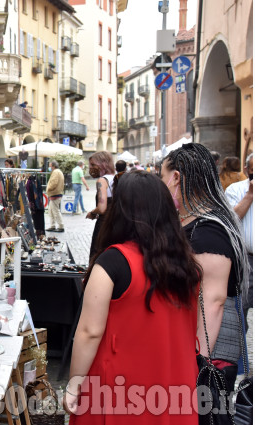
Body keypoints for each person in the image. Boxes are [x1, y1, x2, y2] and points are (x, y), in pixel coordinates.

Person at [64, 171, 201, 424]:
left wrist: (74, 384)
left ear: (120, 211)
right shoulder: (187, 264)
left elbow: (89, 331)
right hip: (175, 383)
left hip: (122, 386)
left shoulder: (112, 262)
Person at [160, 143, 251, 390]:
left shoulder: (208, 231)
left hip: (210, 353)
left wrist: (196, 361)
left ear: (176, 178)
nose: (161, 186)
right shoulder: (202, 222)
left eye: (162, 178)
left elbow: (213, 300)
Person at [225, 153, 253, 327]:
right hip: (245, 259)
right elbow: (231, 220)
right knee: (240, 311)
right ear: (247, 169)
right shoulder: (235, 190)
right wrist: (250, 196)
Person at [87, 151, 115, 259]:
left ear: (103, 164)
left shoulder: (102, 181)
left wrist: (92, 213)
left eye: (93, 165)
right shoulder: (116, 178)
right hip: (115, 224)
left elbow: (102, 208)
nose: (91, 168)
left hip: (103, 224)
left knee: (97, 253)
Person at [46, 160, 65, 232]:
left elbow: (54, 183)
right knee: (51, 210)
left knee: (55, 211)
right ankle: (52, 225)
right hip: (56, 193)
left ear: (53, 166)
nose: (49, 167)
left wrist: (48, 189)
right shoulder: (58, 172)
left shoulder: (55, 172)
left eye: (50, 166)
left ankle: (61, 226)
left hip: (55, 194)